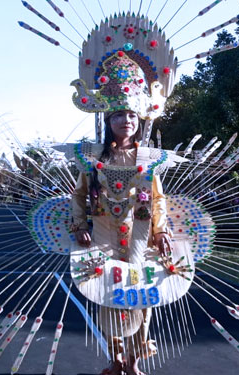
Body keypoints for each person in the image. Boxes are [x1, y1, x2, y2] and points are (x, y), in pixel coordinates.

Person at [72, 110, 172, 375]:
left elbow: (157, 199)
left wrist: (160, 231)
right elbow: (79, 195)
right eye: (118, 115)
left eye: (131, 115)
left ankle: (135, 359)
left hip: (140, 233)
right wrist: (80, 225)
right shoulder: (92, 158)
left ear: (138, 121)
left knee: (143, 294)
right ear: (108, 121)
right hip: (104, 232)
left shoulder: (148, 158)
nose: (126, 121)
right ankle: (116, 358)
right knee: (107, 294)